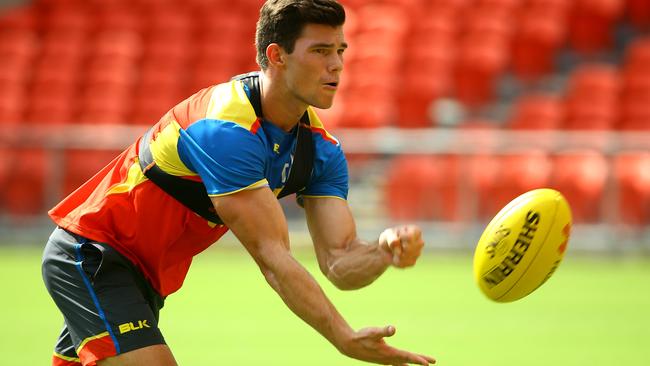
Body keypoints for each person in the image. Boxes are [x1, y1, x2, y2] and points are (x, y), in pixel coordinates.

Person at [41, 1, 436, 365]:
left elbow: (339, 261)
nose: (336, 65)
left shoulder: (320, 151)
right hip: (92, 253)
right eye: (320, 51)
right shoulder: (224, 129)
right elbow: (274, 260)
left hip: (145, 278)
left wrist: (383, 253)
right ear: (276, 56)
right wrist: (344, 338)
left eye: (340, 51)